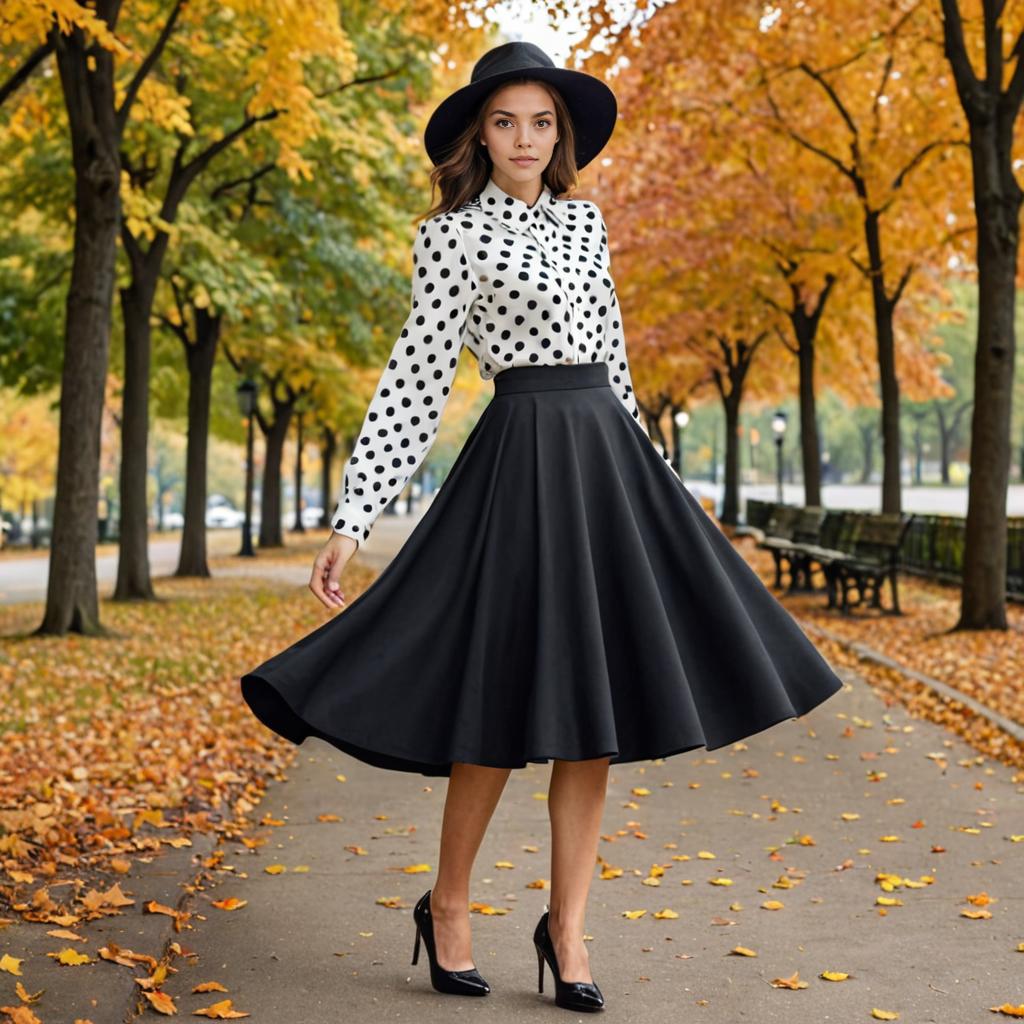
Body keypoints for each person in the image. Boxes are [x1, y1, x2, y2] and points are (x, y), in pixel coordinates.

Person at [239, 40, 844, 1013]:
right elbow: (416, 377)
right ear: (480, 134)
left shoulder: (585, 222)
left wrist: (652, 487)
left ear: (560, 135)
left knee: (589, 722)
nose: (525, 138)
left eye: (542, 122)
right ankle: (449, 905)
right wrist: (351, 517)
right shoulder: (449, 238)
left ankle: (566, 931)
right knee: (495, 703)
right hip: (518, 467)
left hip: (604, 465)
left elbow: (613, 358)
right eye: (507, 121)